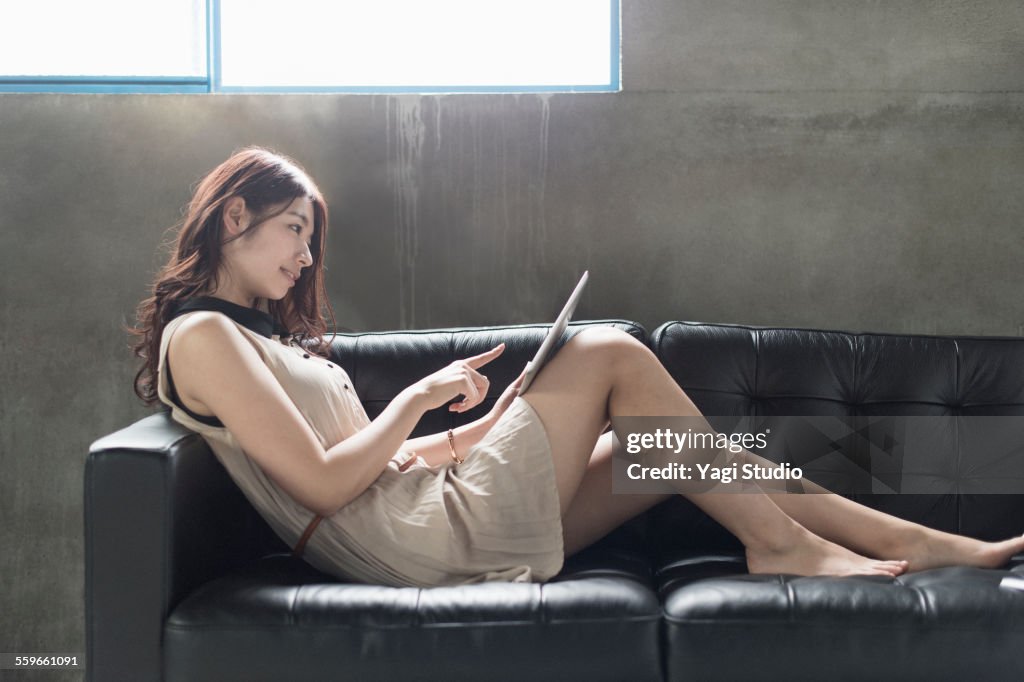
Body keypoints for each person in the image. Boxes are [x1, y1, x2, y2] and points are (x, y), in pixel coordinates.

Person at [130, 146, 1024, 587]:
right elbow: (326, 489)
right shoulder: (202, 339)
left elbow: (382, 467)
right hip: (411, 545)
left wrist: (477, 428)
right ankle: (782, 545)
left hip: (420, 508)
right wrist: (415, 397)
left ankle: (912, 541)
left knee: (661, 454)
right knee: (607, 351)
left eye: (306, 239)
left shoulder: (248, 337)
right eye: (295, 232)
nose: (302, 258)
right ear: (234, 214)